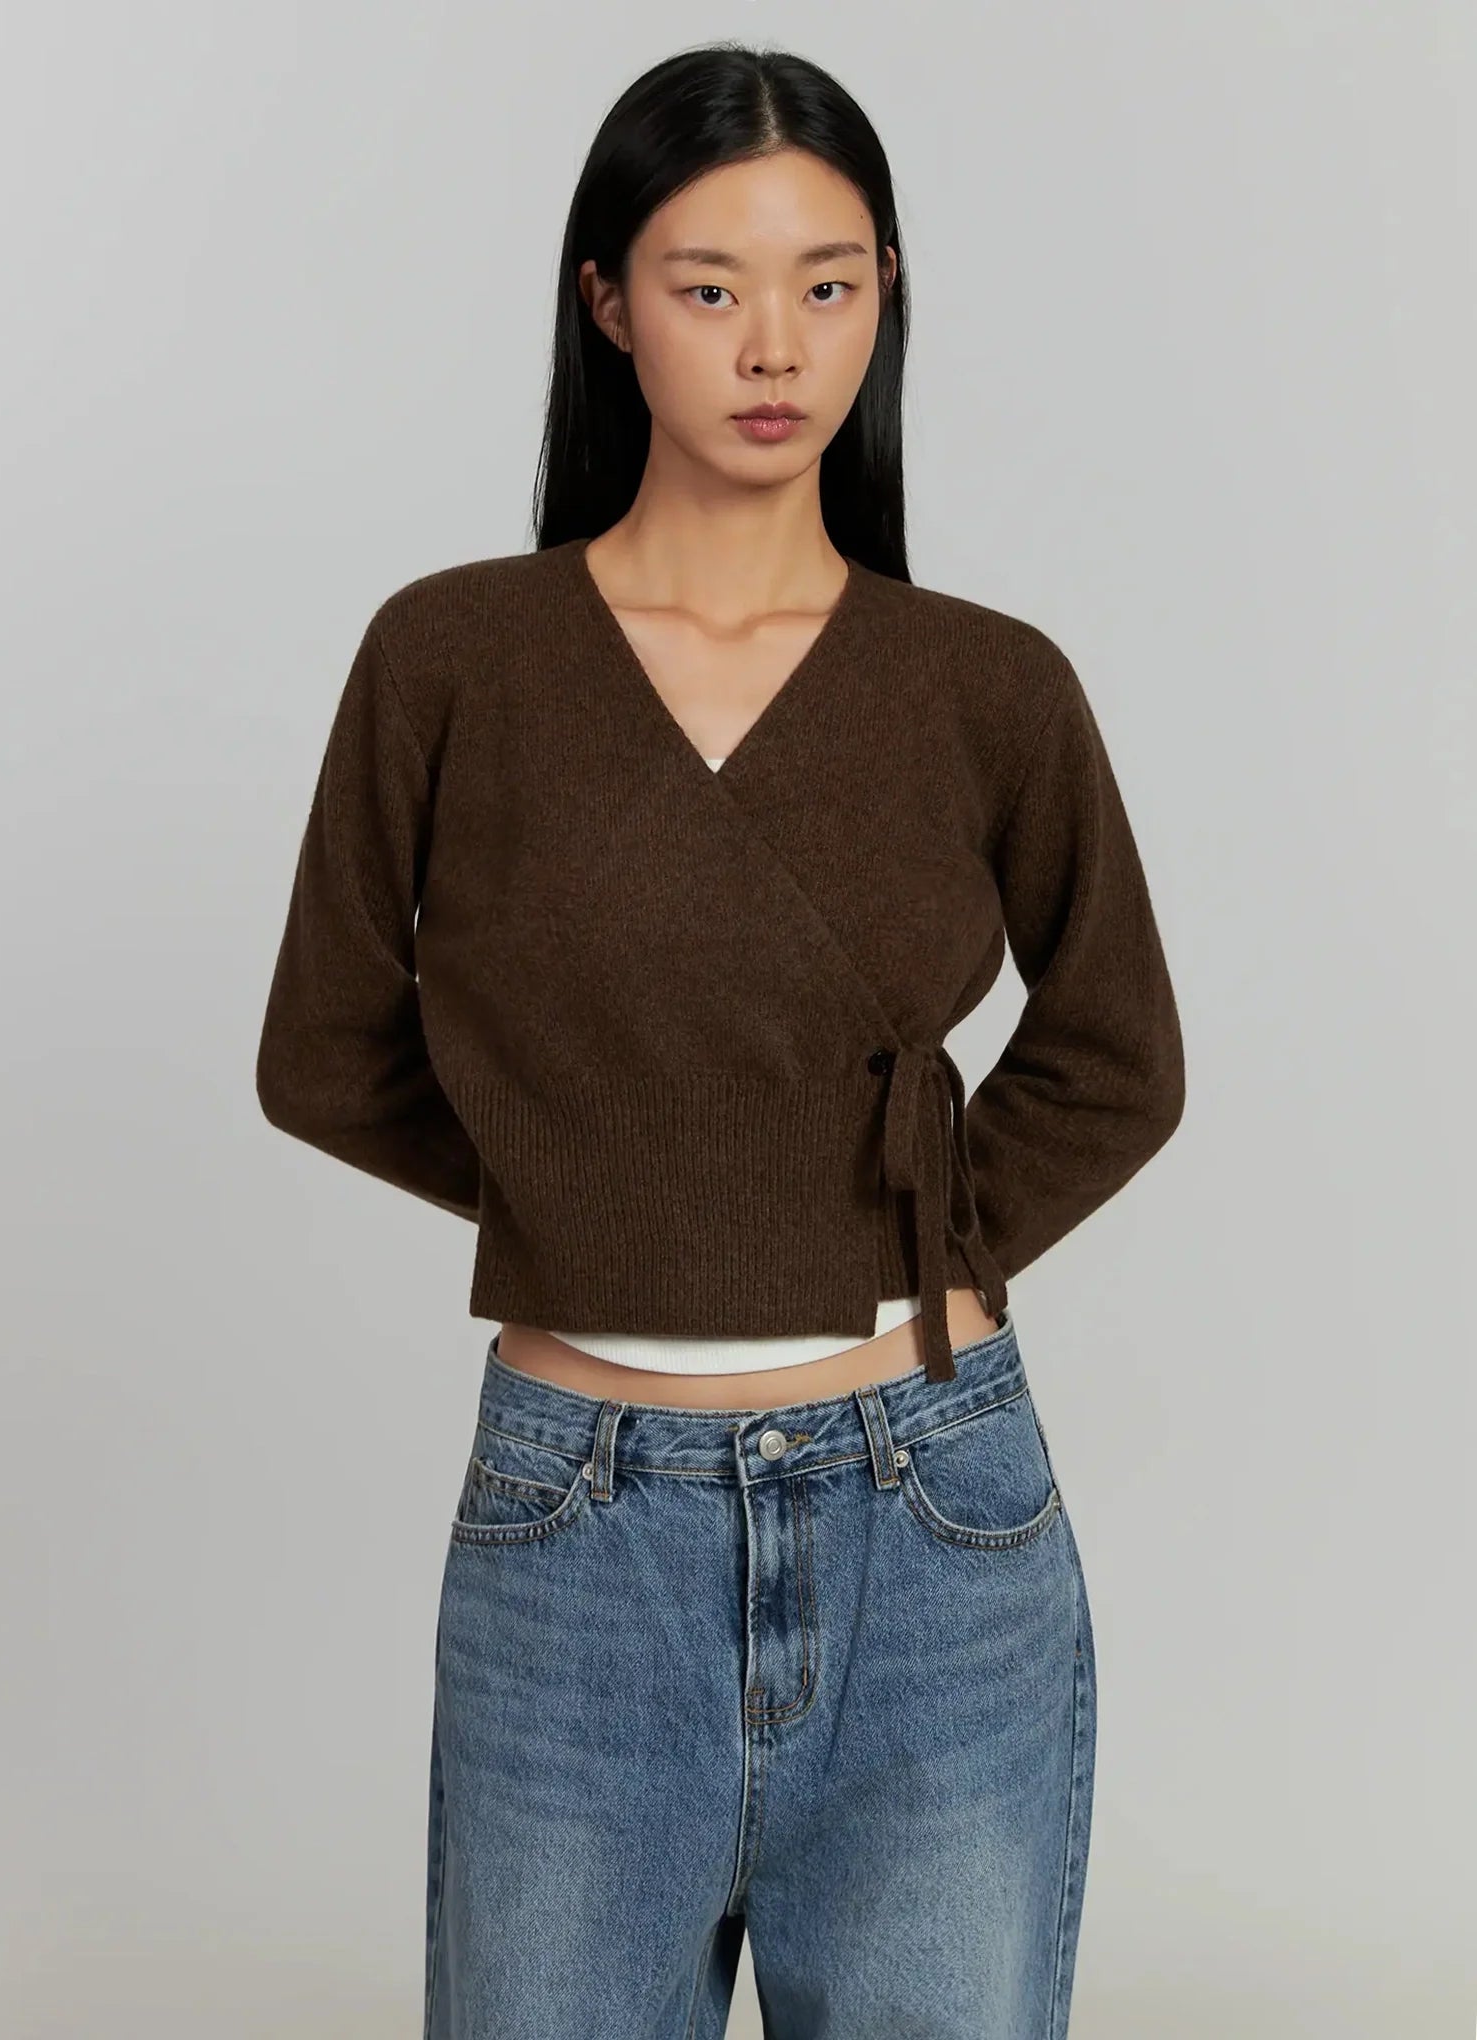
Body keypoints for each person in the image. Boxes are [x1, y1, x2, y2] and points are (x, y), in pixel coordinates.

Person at [255, 42, 1186, 2040]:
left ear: (886, 295)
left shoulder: (989, 686)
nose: (777, 344)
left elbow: (1120, 1051)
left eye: (829, 284)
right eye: (711, 286)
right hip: (577, 1527)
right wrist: (599, 1197)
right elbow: (324, 1051)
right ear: (607, 301)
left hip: (936, 1514)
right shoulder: (452, 657)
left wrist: (915, 1231)